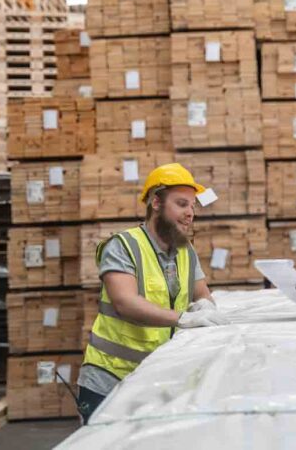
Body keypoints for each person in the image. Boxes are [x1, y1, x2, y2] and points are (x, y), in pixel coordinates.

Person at [76, 163, 224, 423]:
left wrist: (205, 306)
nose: (190, 213)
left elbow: (202, 293)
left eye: (192, 206)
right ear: (156, 202)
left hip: (158, 378)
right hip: (112, 378)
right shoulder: (123, 246)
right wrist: (182, 318)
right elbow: (125, 302)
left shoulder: (185, 250)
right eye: (181, 204)